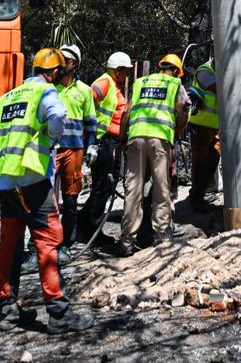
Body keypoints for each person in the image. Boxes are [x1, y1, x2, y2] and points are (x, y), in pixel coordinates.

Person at [0, 47, 93, 334]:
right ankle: (58, 312)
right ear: (55, 72)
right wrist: (51, 137)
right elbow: (58, 116)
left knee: (9, 245)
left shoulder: (9, 96)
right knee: (48, 242)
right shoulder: (46, 93)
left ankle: (6, 310)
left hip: (6, 181)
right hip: (33, 180)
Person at [119, 53, 189, 257]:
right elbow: (183, 111)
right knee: (161, 188)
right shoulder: (175, 84)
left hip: (135, 137)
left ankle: (126, 242)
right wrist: (175, 133)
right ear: (176, 71)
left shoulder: (140, 82)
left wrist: (122, 139)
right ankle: (161, 237)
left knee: (133, 190)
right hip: (160, 141)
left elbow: (127, 112)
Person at [79, 50, 132, 240]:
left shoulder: (115, 85)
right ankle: (89, 228)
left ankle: (85, 223)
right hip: (103, 141)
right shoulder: (105, 82)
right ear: (117, 70)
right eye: (125, 71)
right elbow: (88, 97)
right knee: (102, 186)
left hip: (111, 142)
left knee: (106, 186)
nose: (127, 75)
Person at [54, 42, 97, 260]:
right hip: (51, 149)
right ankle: (38, 245)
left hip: (75, 150)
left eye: (66, 60)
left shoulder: (84, 91)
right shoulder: (50, 88)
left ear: (75, 64)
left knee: (70, 200)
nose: (61, 64)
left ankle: (66, 245)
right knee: (46, 200)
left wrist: (93, 144)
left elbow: (91, 122)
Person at [187, 58, 220, 209]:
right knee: (200, 163)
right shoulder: (204, 72)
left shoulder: (218, 71)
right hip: (200, 125)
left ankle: (202, 192)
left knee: (214, 158)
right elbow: (219, 88)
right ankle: (197, 199)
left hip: (215, 126)